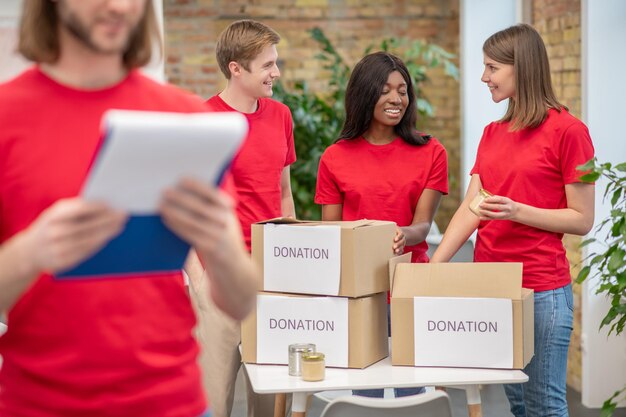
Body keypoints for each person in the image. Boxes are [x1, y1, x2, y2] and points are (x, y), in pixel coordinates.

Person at [0, 1, 259, 417]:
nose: (120, 6)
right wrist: (31, 252)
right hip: (39, 404)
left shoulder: (184, 118)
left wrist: (221, 247)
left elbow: (242, 300)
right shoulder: (6, 116)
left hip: (173, 402)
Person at [430, 24, 594, 417]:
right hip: (493, 287)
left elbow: (583, 219)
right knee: (517, 401)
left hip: (540, 291)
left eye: (492, 67)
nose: (485, 77)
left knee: (544, 404)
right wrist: (433, 269)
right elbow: (473, 204)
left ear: (521, 67)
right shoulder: (492, 133)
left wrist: (518, 211)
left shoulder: (570, 132)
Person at [315, 51, 448, 398]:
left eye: (402, 90)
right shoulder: (335, 157)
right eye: (386, 89)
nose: (396, 98)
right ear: (365, 93)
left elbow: (422, 226)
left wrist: (403, 234)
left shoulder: (431, 152)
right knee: (364, 394)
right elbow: (333, 235)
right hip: (358, 294)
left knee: (412, 393)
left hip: (409, 287)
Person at [186, 19, 296, 417]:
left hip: (271, 282)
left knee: (270, 407)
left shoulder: (281, 116)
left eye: (275, 63)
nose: (276, 73)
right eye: (267, 65)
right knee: (212, 402)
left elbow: (283, 194)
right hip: (217, 282)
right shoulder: (202, 121)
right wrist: (198, 281)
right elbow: (185, 207)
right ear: (236, 67)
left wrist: (291, 271)